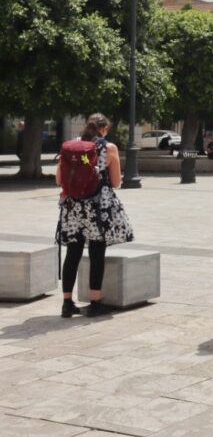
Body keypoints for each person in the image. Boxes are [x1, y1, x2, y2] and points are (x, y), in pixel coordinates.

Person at [55, 113, 133, 318]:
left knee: (73, 252)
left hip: (73, 206)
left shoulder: (71, 146)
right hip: (98, 206)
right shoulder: (109, 148)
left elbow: (58, 178)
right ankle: (95, 302)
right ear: (104, 129)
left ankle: (66, 303)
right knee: (97, 252)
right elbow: (115, 182)